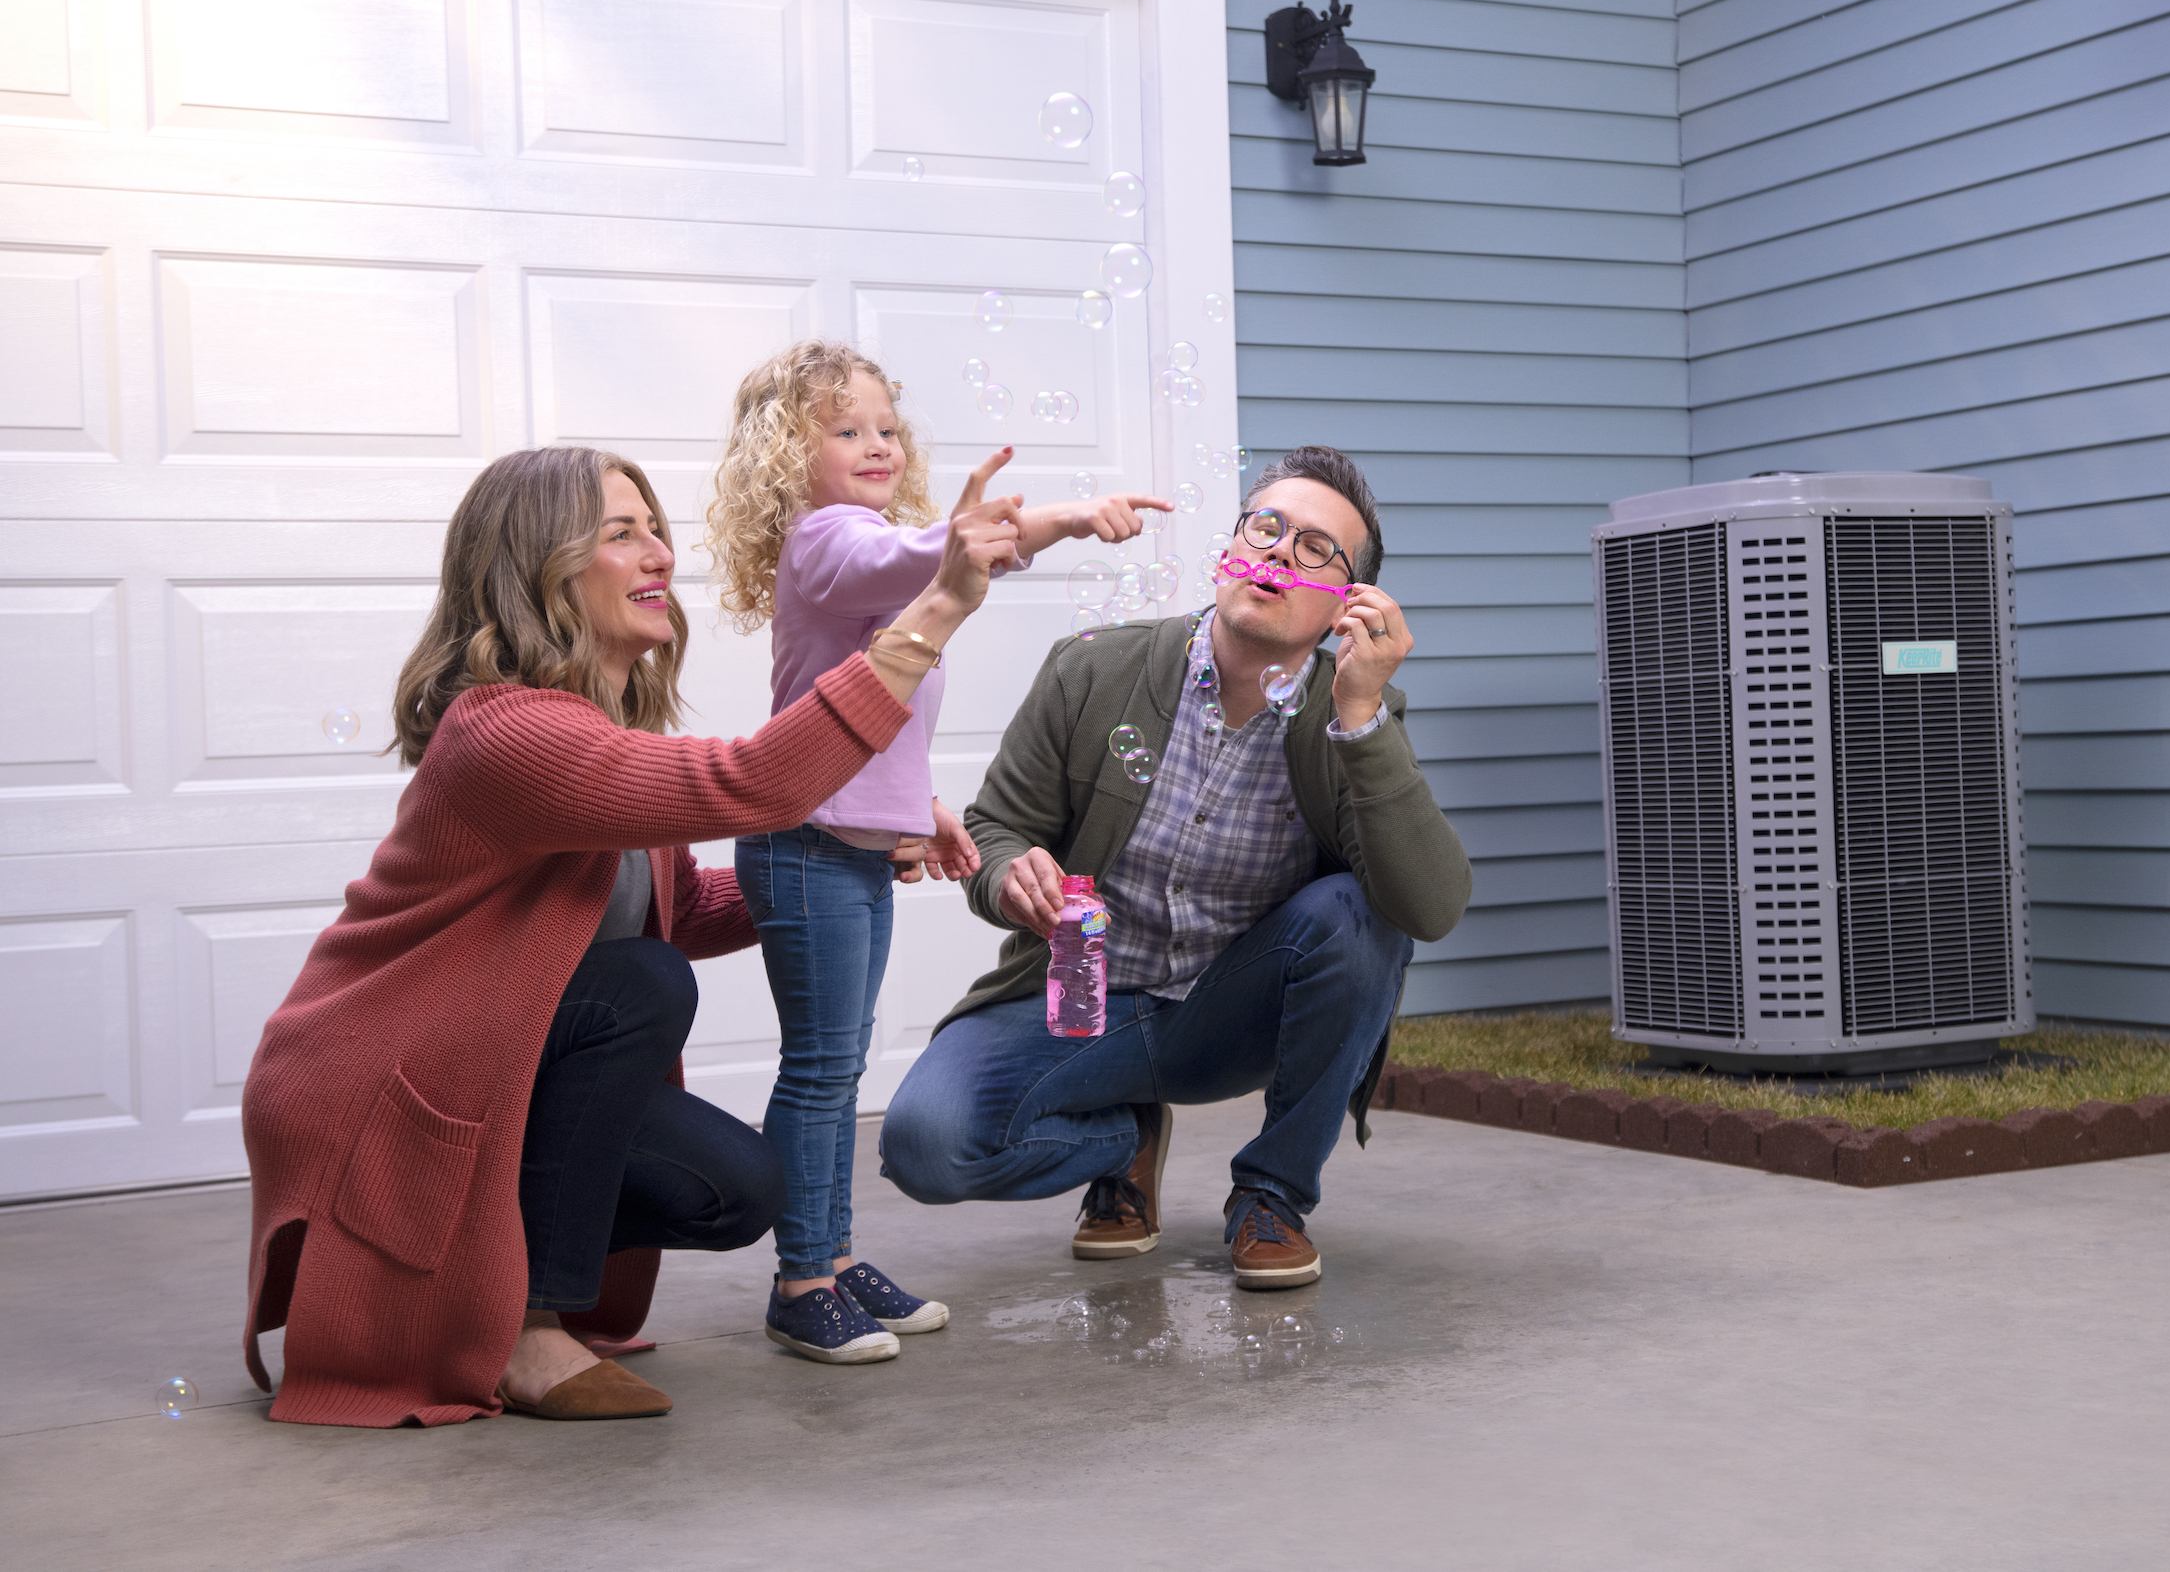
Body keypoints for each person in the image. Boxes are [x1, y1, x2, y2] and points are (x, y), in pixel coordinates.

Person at [237, 441, 1020, 1426]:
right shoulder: (508, 731)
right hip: (380, 1075)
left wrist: (852, 852)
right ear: (540, 566)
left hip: (495, 1061)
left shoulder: (604, 730)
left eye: (657, 528)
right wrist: (936, 607)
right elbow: (752, 782)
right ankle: (527, 1324)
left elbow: (687, 906)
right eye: (621, 533)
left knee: (738, 1187)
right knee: (642, 981)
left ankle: (500, 1260)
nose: (660, 554)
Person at [878, 444, 1471, 1290]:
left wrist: (1363, 719)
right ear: (1231, 547)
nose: (1279, 552)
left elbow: (1432, 906)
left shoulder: (1350, 711)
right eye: (1266, 528)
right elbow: (996, 829)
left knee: (1358, 909)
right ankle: (1123, 1140)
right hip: (1082, 996)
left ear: (1350, 603)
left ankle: (1272, 1195)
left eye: (1316, 549)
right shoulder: (1093, 670)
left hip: (1231, 1014)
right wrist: (1009, 876)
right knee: (924, 1147)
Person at [703, 340, 1169, 1364]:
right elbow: (923, 559)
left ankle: (829, 1252)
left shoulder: (867, 540)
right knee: (822, 1072)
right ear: (788, 456)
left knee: (840, 1063)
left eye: (886, 425)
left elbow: (879, 717)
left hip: (851, 849)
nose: (876, 442)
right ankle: (802, 1279)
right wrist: (1056, 519)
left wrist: (923, 807)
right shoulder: (827, 539)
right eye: (844, 428)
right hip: (802, 846)